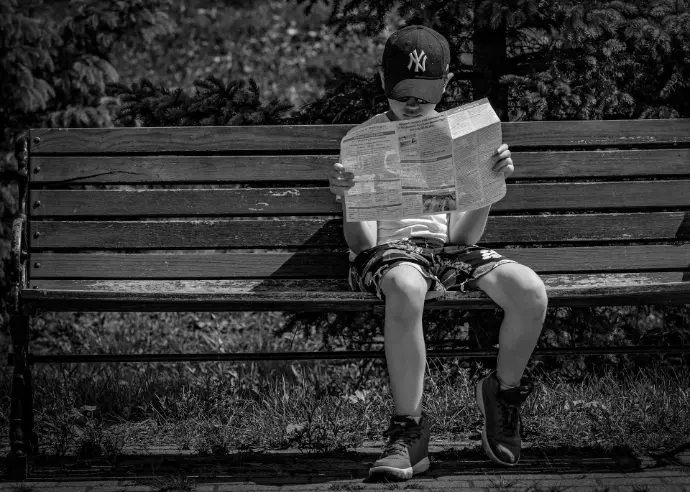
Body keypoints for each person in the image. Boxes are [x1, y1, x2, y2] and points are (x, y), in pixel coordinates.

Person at [328, 25, 548, 481]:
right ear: (383, 84)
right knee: (406, 285)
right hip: (388, 253)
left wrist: (489, 185)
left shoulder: (458, 137)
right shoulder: (364, 140)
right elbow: (362, 245)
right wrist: (350, 197)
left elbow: (463, 240)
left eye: (424, 97)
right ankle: (409, 431)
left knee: (529, 291)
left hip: (444, 252)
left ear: (445, 86)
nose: (413, 106)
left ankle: (502, 395)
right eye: (403, 95)